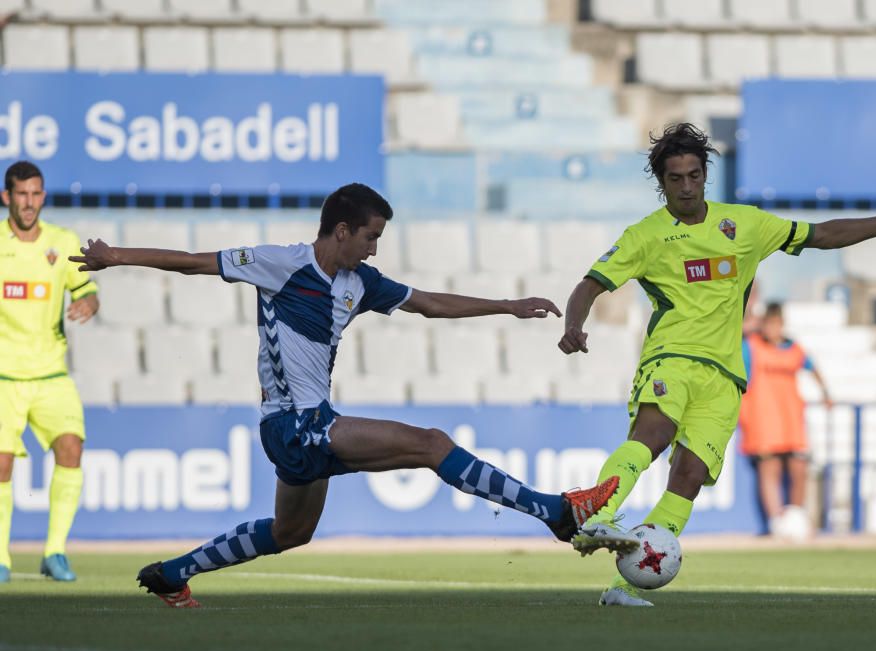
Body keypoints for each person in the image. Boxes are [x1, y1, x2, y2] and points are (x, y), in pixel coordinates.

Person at [71, 183, 619, 608]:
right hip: (292, 422)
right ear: (340, 231)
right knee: (431, 444)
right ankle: (554, 512)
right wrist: (114, 255)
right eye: (370, 236)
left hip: (307, 425)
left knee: (291, 533)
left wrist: (506, 305)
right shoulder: (282, 263)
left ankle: (172, 574)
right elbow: (195, 262)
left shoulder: (361, 282)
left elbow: (428, 302)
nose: (374, 246)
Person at [557, 123, 876, 606]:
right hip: (673, 357)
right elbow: (590, 284)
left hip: (727, 376)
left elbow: (820, 234)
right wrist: (574, 324)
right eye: (676, 178)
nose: (687, 186)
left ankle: (625, 586)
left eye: (694, 175)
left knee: (688, 478)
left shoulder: (744, 224)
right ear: (661, 182)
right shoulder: (645, 236)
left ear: (706, 175)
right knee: (652, 436)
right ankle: (594, 511)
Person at [0, 161, 100, 584]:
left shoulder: (62, 242)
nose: (29, 202)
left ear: (43, 196)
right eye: (21, 194)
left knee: (71, 448)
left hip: (50, 375)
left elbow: (88, 292)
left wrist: (88, 305)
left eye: (36, 193)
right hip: (4, 377)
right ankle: (1, 559)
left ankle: (54, 552)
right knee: (2, 464)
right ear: (7, 197)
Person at [740, 302, 832, 540]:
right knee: (769, 467)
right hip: (762, 418)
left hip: (790, 417)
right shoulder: (751, 346)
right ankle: (776, 523)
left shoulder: (794, 349)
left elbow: (812, 367)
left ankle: (796, 517)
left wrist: (825, 394)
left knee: (798, 468)